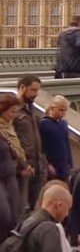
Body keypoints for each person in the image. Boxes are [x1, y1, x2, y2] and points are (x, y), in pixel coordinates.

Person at [9, 182, 72, 252]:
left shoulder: (28, 220)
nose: (66, 214)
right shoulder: (49, 229)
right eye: (68, 209)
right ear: (59, 205)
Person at [14, 74, 44, 212]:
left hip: (37, 164)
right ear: (22, 87)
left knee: (35, 206)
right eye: (33, 90)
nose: (36, 94)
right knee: (20, 208)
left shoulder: (30, 107)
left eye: (37, 90)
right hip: (23, 166)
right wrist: (22, 163)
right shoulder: (13, 109)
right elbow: (12, 140)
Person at [0, 93, 25, 236]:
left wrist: (23, 165)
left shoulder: (9, 128)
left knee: (13, 219)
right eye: (11, 112)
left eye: (16, 112)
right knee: (4, 216)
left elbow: (15, 152)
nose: (14, 115)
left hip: (11, 178)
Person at [38, 96, 71, 182]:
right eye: (60, 110)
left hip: (63, 164)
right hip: (51, 163)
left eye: (65, 111)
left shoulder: (63, 123)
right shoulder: (44, 124)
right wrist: (47, 164)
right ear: (52, 108)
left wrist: (70, 163)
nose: (63, 113)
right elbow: (41, 146)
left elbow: (67, 144)